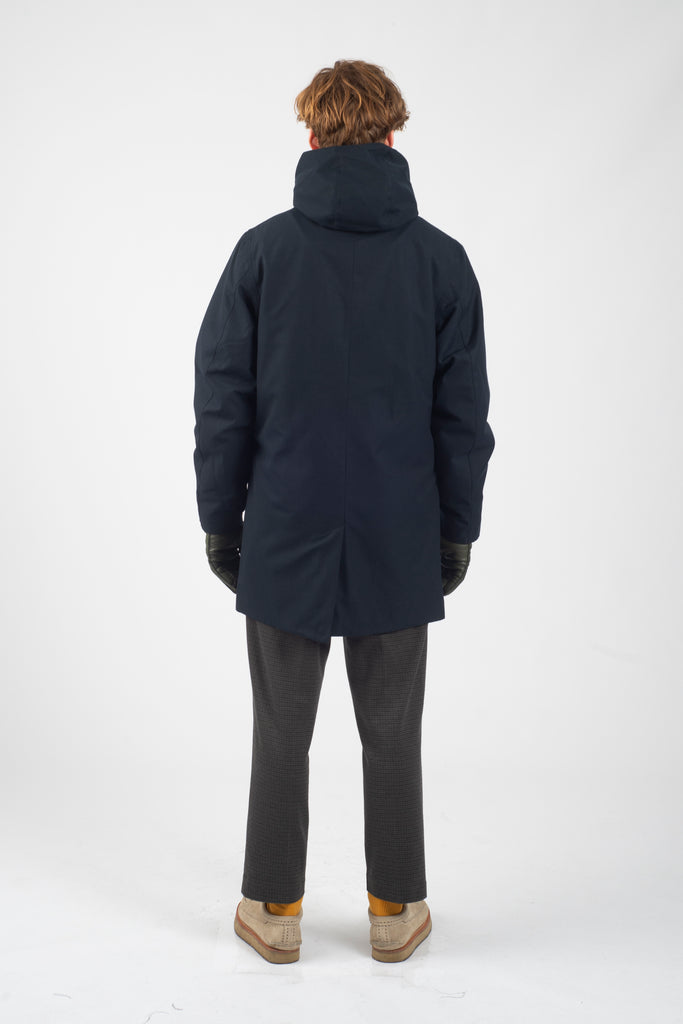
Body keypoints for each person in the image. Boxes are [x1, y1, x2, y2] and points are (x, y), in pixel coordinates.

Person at [192, 59, 495, 964]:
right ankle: (394, 911)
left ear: (311, 135)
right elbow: (462, 417)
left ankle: (273, 910)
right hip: (401, 531)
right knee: (392, 731)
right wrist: (456, 531)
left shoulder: (261, 253)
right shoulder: (441, 261)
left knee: (281, 729)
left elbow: (222, 400)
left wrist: (221, 520)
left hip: (284, 525)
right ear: (393, 135)